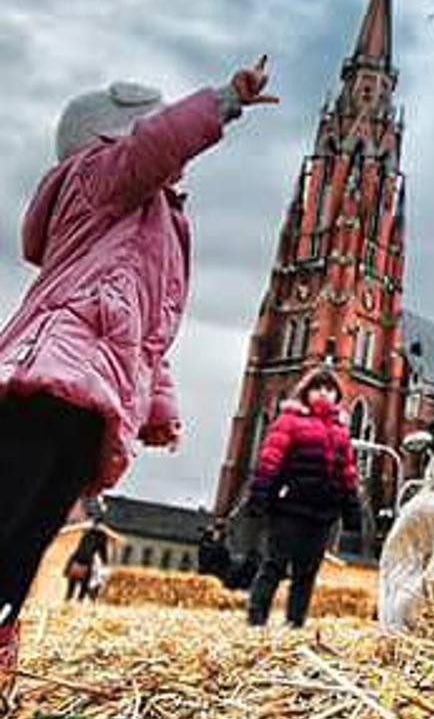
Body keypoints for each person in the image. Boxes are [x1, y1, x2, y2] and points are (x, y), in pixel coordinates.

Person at [0, 58, 277, 681]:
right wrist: (226, 100)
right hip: (49, 376)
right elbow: (153, 148)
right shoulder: (98, 179)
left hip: (91, 400)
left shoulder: (151, 220)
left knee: (32, 532)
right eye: (143, 127)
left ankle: (2, 628)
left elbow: (148, 335)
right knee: (9, 512)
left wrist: (157, 407)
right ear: (110, 138)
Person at [245, 367, 362, 628]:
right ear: (306, 392)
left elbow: (347, 471)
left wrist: (351, 506)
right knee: (274, 564)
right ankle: (256, 621)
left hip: (323, 512)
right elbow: (270, 459)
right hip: (290, 506)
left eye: (329, 390)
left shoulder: (341, 431)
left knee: (307, 572)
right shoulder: (290, 421)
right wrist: (260, 494)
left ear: (336, 396)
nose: (323, 393)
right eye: (317, 388)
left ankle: (295, 623)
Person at [64, 516, 111, 601]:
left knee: (71, 588)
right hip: (85, 562)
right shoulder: (101, 536)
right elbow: (103, 552)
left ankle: (69, 601)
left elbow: (102, 552)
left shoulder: (87, 531)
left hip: (77, 559)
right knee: (82, 588)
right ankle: (77, 601)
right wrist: (105, 563)